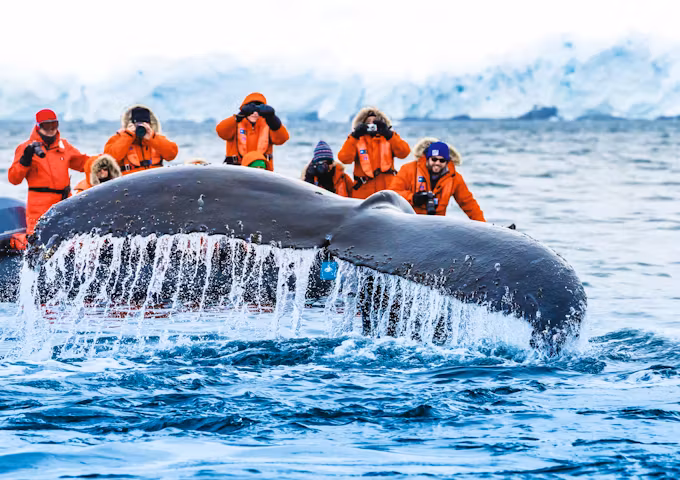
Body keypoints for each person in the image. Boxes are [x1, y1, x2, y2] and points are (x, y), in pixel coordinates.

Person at [7, 109, 90, 247]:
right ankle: (18, 242)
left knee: (70, 240)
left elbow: (84, 163)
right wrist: (25, 161)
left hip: (64, 203)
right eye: (47, 126)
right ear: (38, 126)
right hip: (39, 207)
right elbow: (14, 179)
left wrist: (106, 162)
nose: (51, 129)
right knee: (39, 244)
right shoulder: (25, 148)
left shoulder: (64, 146)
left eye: (54, 125)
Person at [390, 138, 485, 221]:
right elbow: (392, 193)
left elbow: (468, 204)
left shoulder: (454, 178)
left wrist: (484, 227)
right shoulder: (408, 169)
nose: (437, 163)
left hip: (437, 226)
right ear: (427, 159)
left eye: (442, 160)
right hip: (410, 222)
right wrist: (413, 198)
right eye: (434, 159)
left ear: (447, 162)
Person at [337, 106, 410, 199]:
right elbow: (344, 159)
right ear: (361, 124)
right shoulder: (356, 140)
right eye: (368, 123)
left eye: (375, 123)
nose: (371, 126)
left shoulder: (389, 138)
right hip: (363, 192)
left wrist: (389, 134)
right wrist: (354, 136)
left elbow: (404, 153)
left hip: (388, 191)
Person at [215, 92, 289, 170]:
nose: (255, 113)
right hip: (236, 169)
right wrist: (239, 116)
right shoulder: (235, 123)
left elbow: (282, 139)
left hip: (263, 171)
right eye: (251, 110)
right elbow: (221, 132)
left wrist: (273, 119)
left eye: (258, 110)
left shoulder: (269, 124)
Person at [104, 105, 178, 175]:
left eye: (144, 124)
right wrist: (128, 135)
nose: (140, 128)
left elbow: (171, 154)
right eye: (137, 124)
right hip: (129, 185)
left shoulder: (156, 138)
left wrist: (152, 138)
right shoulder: (119, 138)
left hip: (155, 182)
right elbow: (109, 160)